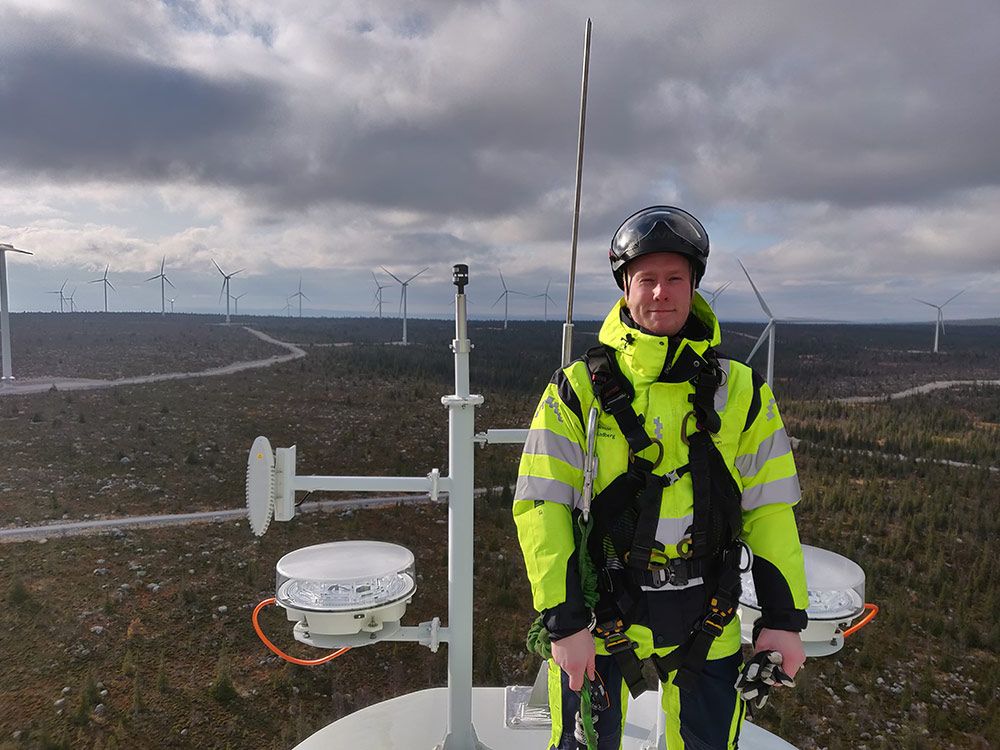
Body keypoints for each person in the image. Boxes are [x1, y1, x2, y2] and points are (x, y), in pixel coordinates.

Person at [513, 206, 809, 749]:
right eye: (646, 279)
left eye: (675, 278)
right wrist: (564, 620)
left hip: (708, 609)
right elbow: (541, 506)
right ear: (625, 287)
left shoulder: (741, 390)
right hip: (603, 604)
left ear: (694, 285)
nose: (660, 293)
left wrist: (783, 618)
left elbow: (769, 510)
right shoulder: (577, 390)